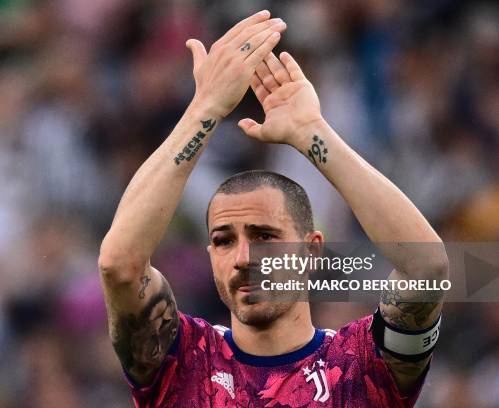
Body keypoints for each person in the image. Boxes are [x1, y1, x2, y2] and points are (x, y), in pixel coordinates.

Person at [98, 10, 448, 407]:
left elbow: (426, 267)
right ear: (212, 256)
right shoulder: (183, 362)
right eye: (224, 241)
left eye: (265, 235)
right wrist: (204, 110)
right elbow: (119, 264)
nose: (245, 258)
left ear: (312, 250)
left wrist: (312, 132)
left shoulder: (361, 365)